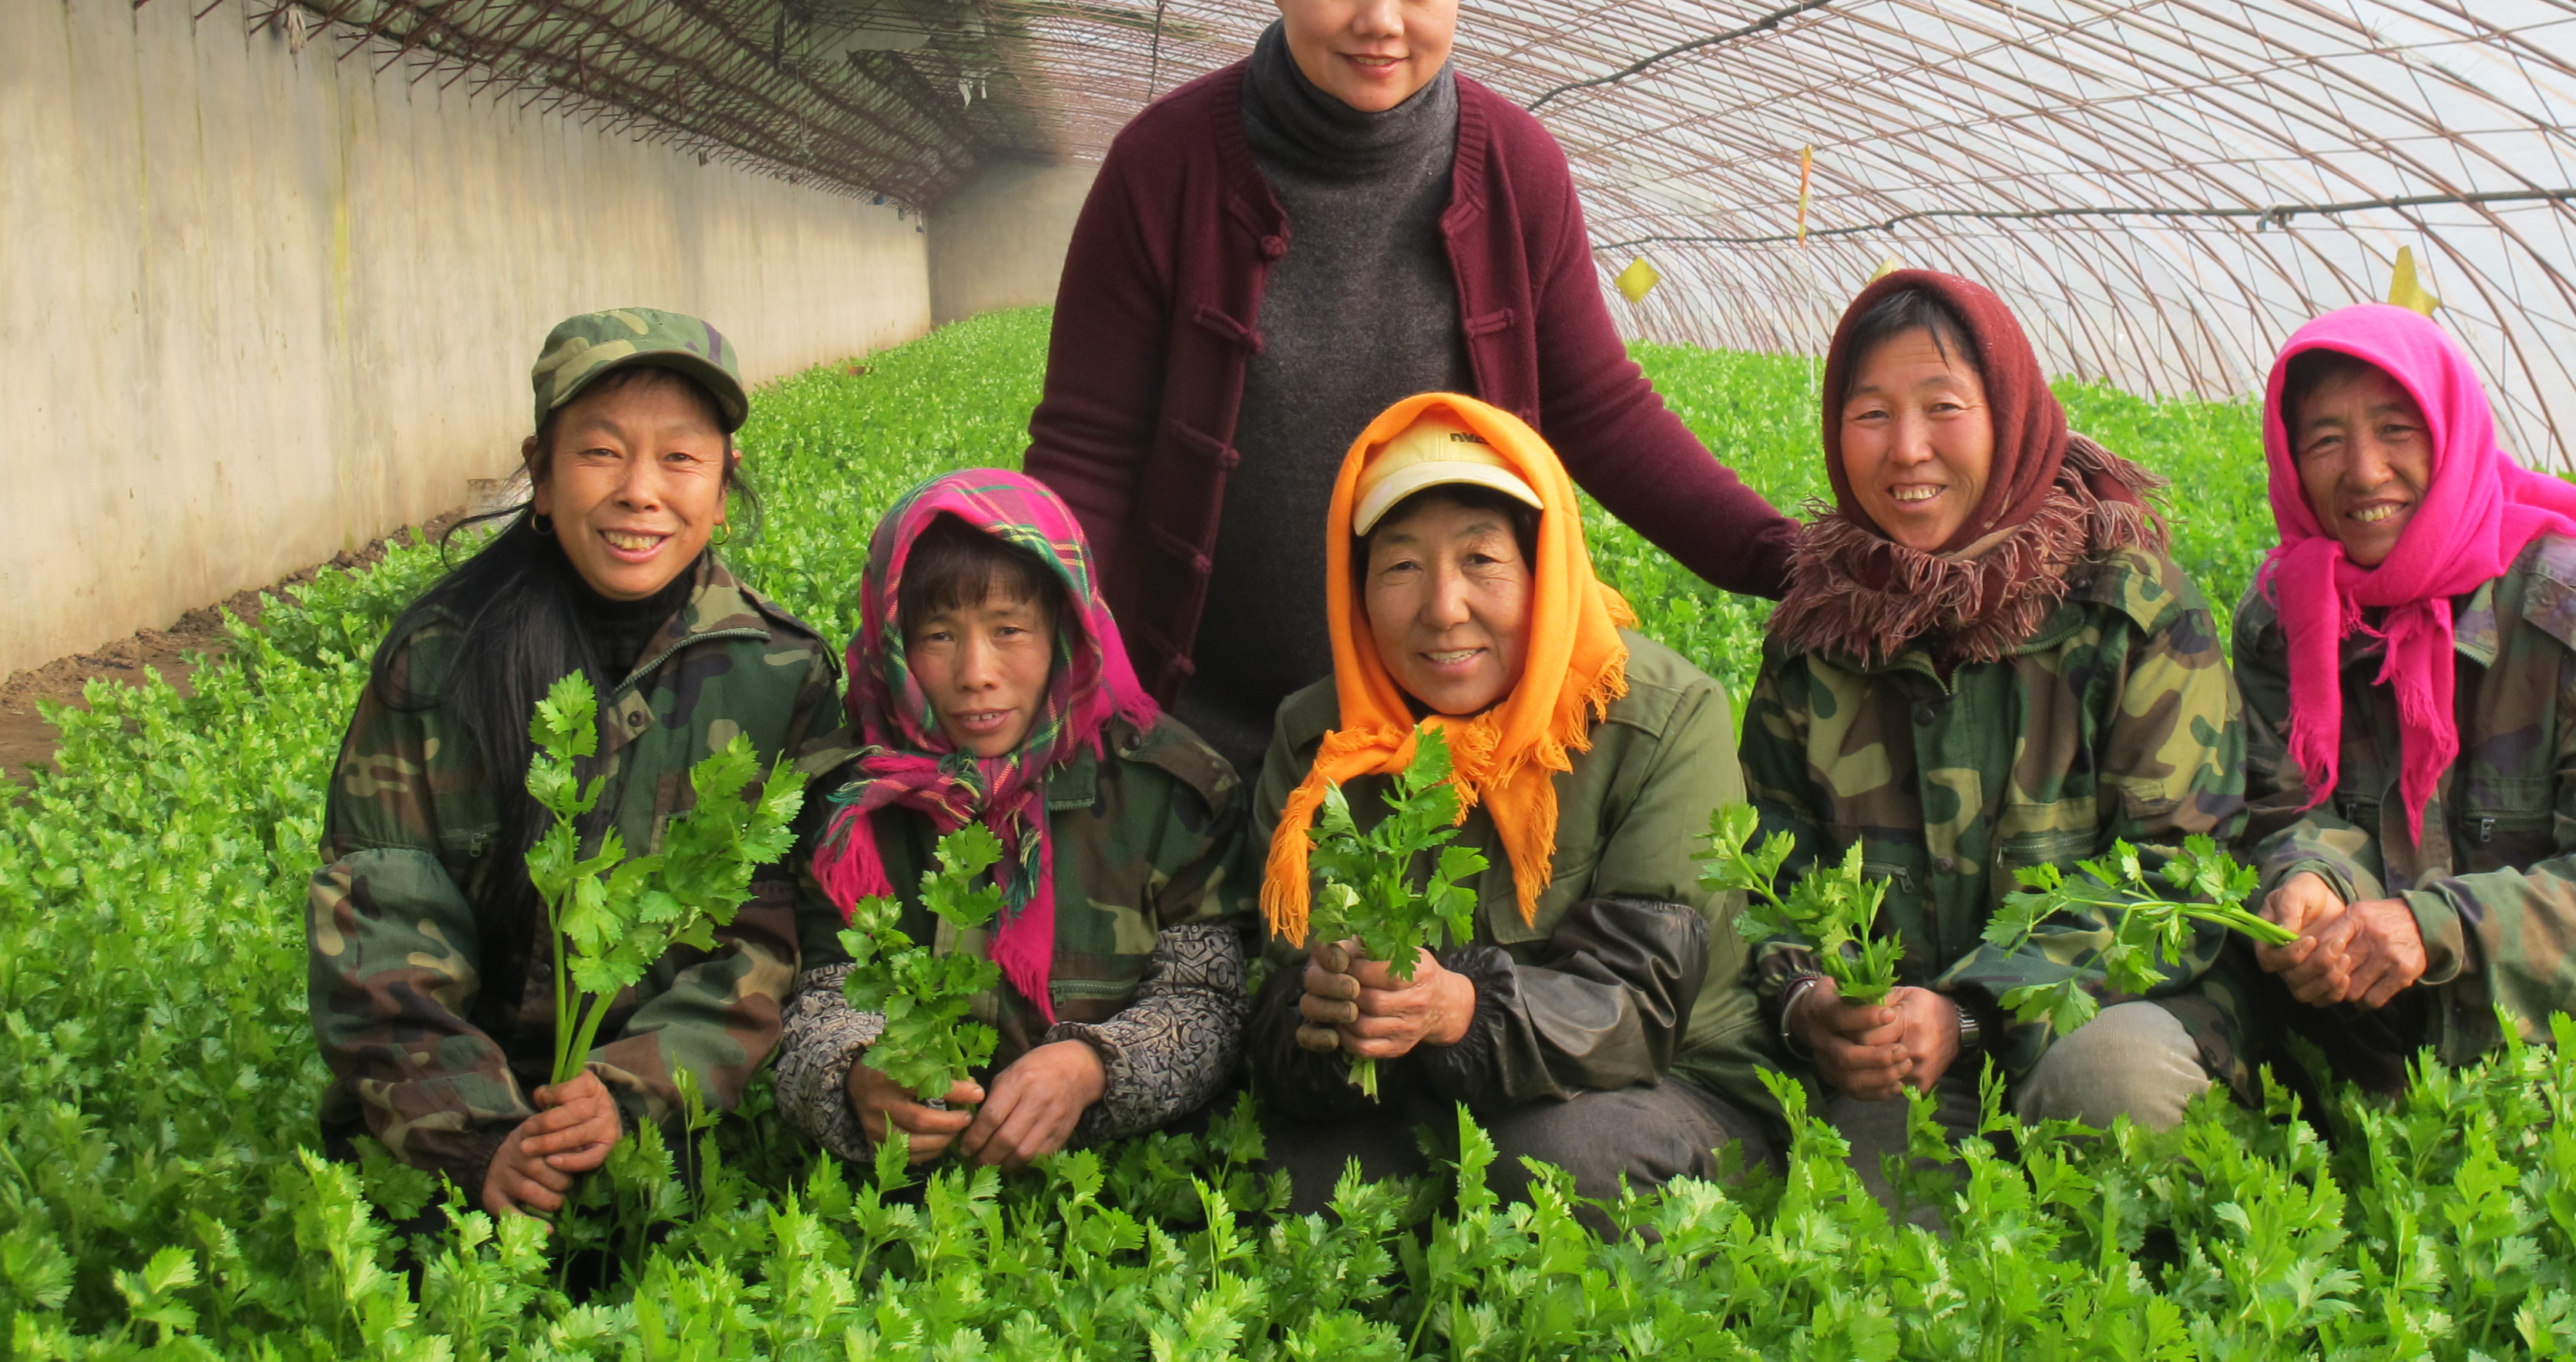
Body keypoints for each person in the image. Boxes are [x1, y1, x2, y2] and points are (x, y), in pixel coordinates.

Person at [1025, 0, 1798, 780]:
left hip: (1451, 743)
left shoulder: (1514, 168)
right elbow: (1086, 452)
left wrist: (1786, 561)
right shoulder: (1163, 167)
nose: (1381, 22)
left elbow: (1597, 410)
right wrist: (1035, 651)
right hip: (1199, 742)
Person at [307, 310, 844, 1219]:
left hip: (658, 1154)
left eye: (680, 458)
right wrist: (481, 1138)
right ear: (542, 476)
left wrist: (635, 1087)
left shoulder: (778, 675)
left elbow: (768, 938)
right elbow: (379, 923)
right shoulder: (440, 659)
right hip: (436, 1148)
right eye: (601, 452)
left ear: (723, 487)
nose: (641, 492)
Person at [1743, 270, 2250, 1179]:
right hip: (1904, 1065)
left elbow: (2183, 876)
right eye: (1870, 415)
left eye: (1943, 407)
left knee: (2116, 1091)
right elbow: (1768, 867)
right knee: (1873, 1218)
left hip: (2096, 1019)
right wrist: (1815, 1002)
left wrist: (1974, 1007)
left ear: (2010, 413)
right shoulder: (1818, 640)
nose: (1907, 450)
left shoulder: (2126, 611)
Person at [1247, 396, 1775, 1216]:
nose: (1443, 607)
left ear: (1545, 570)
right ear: (1356, 587)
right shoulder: (1321, 742)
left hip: (1664, 1083)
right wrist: (1320, 1017)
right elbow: (1272, 994)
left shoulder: (1662, 718)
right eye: (1401, 566)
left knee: (1551, 1170)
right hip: (1417, 1092)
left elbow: (1644, 1000)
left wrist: (1462, 1006)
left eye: (1482, 559)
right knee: (1302, 1186)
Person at [2238, 305, 2576, 1089]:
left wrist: (2435, 926)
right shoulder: (2290, 621)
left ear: (2451, 435)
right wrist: (2313, 881)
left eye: (2396, 429)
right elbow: (2282, 806)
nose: (2365, 471)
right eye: (2325, 440)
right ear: (2291, 461)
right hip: (2399, 1020)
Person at [773, 472, 1254, 1168]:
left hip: (1109, 1199)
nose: (976, 673)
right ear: (892, 641)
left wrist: (1092, 1069)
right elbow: (809, 997)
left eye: (1009, 631)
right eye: (938, 636)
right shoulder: (845, 802)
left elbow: (1209, 1002)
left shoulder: (1168, 794)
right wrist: (851, 1074)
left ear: (1067, 627)